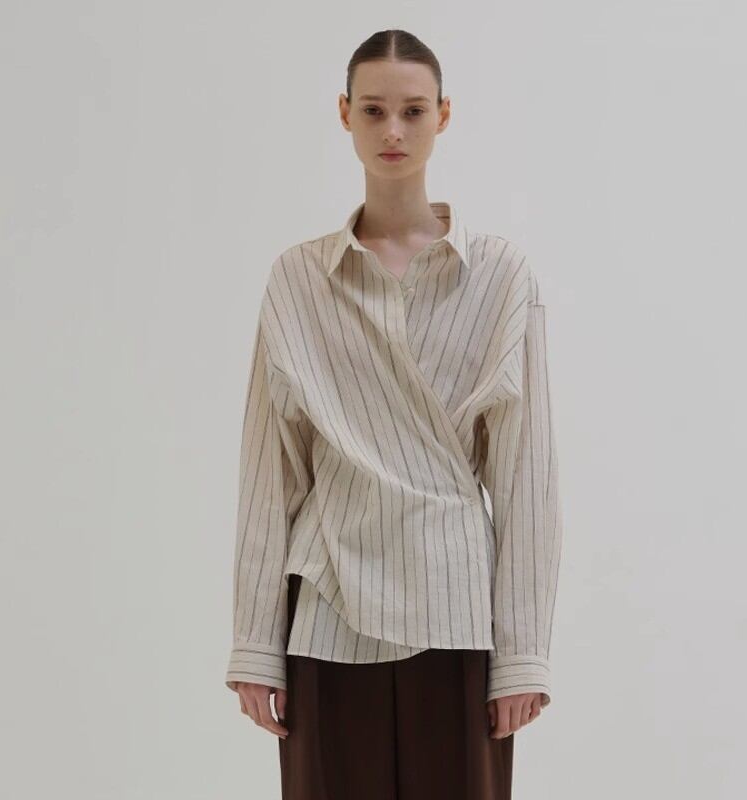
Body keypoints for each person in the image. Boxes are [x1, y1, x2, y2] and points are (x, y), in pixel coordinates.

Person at [224, 28, 564, 800]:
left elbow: (527, 476)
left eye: (413, 111)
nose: (394, 131)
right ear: (345, 113)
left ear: (443, 115)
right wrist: (255, 644)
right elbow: (270, 473)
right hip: (328, 608)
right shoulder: (298, 278)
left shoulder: (501, 275)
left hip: (457, 609)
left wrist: (523, 655)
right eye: (374, 110)